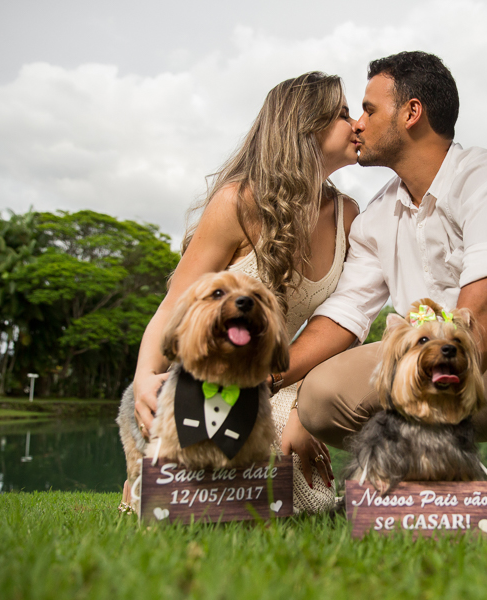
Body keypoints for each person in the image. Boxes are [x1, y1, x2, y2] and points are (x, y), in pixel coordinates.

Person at [278, 52, 487, 530]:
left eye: (368, 109)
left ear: (411, 113)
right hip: (428, 378)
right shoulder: (376, 216)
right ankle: (411, 481)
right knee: (320, 394)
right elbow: (345, 313)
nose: (357, 124)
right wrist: (277, 374)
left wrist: (445, 372)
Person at [131, 71, 360, 513]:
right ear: (306, 125)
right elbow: (174, 305)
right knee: (253, 489)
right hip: (215, 375)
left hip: (286, 375)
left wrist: (303, 407)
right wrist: (144, 376)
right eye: (344, 114)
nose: (358, 125)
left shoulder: (348, 214)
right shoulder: (238, 203)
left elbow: (343, 327)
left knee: (303, 496)